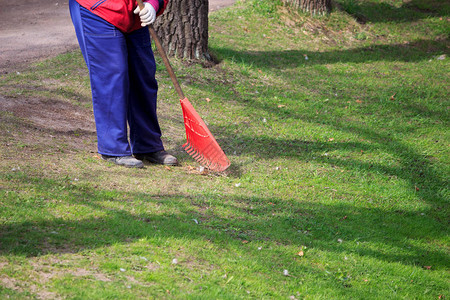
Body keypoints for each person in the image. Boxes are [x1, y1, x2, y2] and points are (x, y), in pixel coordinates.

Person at [69, 0, 178, 168]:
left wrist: (154, 3)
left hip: (135, 12)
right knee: (112, 77)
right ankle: (113, 148)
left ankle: (148, 146)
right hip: (99, 9)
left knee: (143, 76)